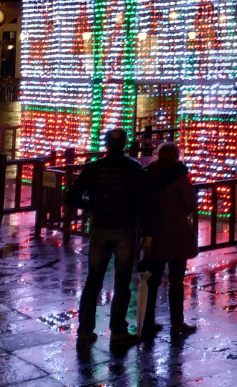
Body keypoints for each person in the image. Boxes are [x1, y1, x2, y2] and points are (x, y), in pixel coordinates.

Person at [64, 128, 144, 345]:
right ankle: (118, 331)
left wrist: (93, 205)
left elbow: (71, 196)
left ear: (106, 144)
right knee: (123, 281)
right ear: (125, 144)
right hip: (124, 228)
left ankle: (85, 331)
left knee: (93, 281)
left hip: (100, 228)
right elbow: (141, 202)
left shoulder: (93, 168)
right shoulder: (134, 169)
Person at [140, 143, 199, 339]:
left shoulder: (147, 174)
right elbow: (190, 203)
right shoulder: (179, 176)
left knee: (153, 279)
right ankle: (177, 322)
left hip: (154, 232)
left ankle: (147, 320)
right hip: (176, 232)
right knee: (176, 280)